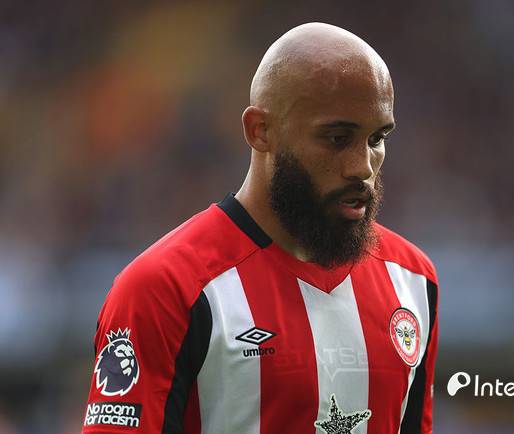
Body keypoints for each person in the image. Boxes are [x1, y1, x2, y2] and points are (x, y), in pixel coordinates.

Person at [82, 22, 439, 434]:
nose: (362, 167)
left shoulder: (413, 280)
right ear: (260, 131)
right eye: (337, 138)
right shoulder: (164, 289)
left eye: (377, 139)